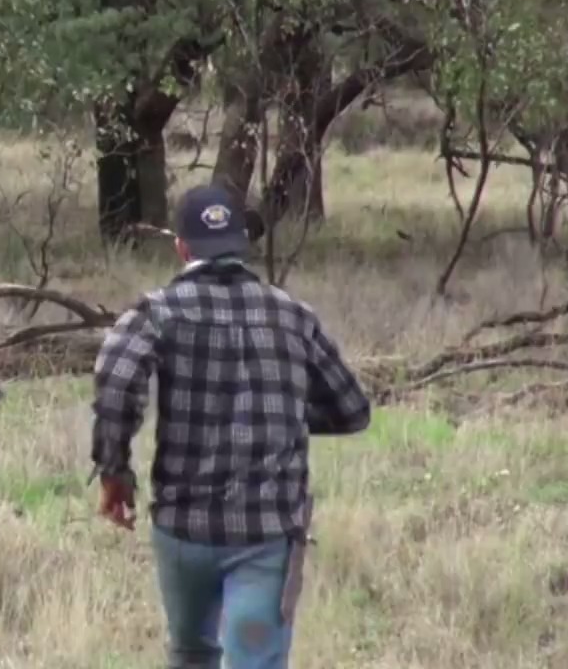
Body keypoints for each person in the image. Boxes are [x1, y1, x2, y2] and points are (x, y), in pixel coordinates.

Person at [89, 181, 372, 669]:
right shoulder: (293, 315)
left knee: (192, 653)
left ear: (181, 247)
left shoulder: (157, 312)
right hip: (266, 531)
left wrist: (114, 472)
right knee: (255, 661)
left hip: (183, 527)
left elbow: (115, 381)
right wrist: (283, 414)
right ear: (243, 244)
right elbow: (353, 410)